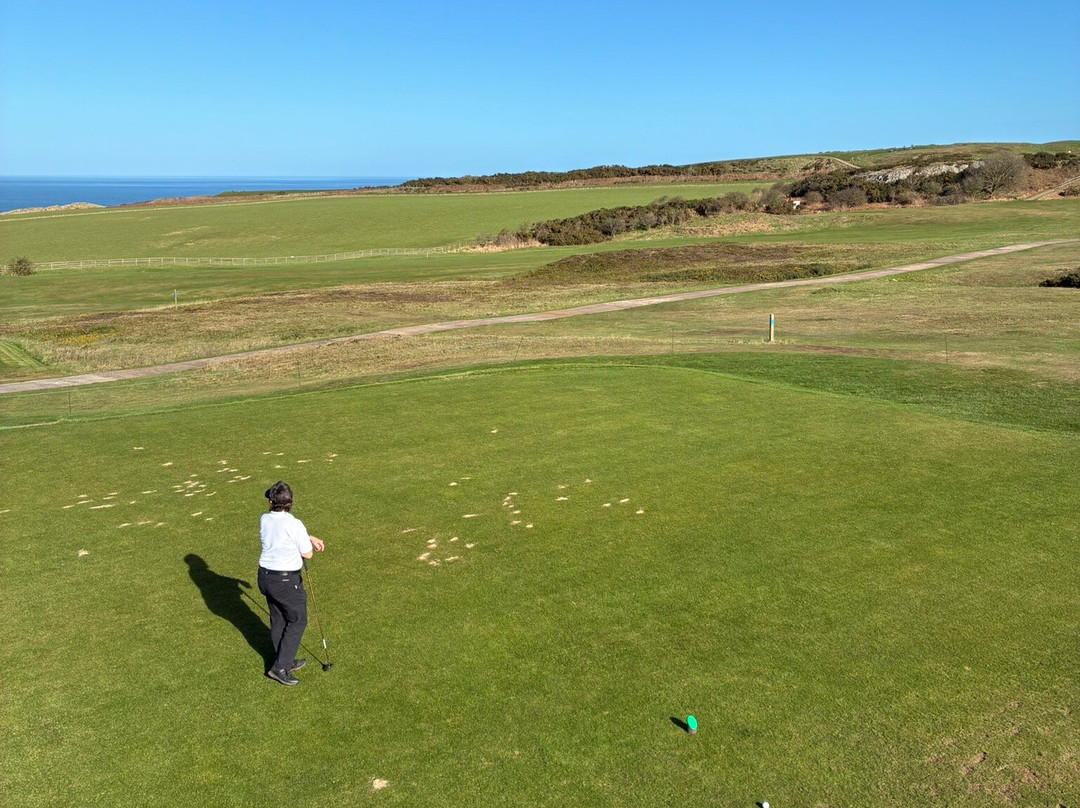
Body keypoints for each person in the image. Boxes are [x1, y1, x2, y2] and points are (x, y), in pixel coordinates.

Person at [257, 481, 325, 685]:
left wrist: (307, 536)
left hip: (265, 578)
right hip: (285, 582)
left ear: (272, 502)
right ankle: (280, 668)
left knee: (278, 619)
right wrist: (307, 539)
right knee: (297, 621)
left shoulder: (265, 519)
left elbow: (282, 533)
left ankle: (283, 659)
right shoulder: (295, 524)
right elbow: (308, 554)